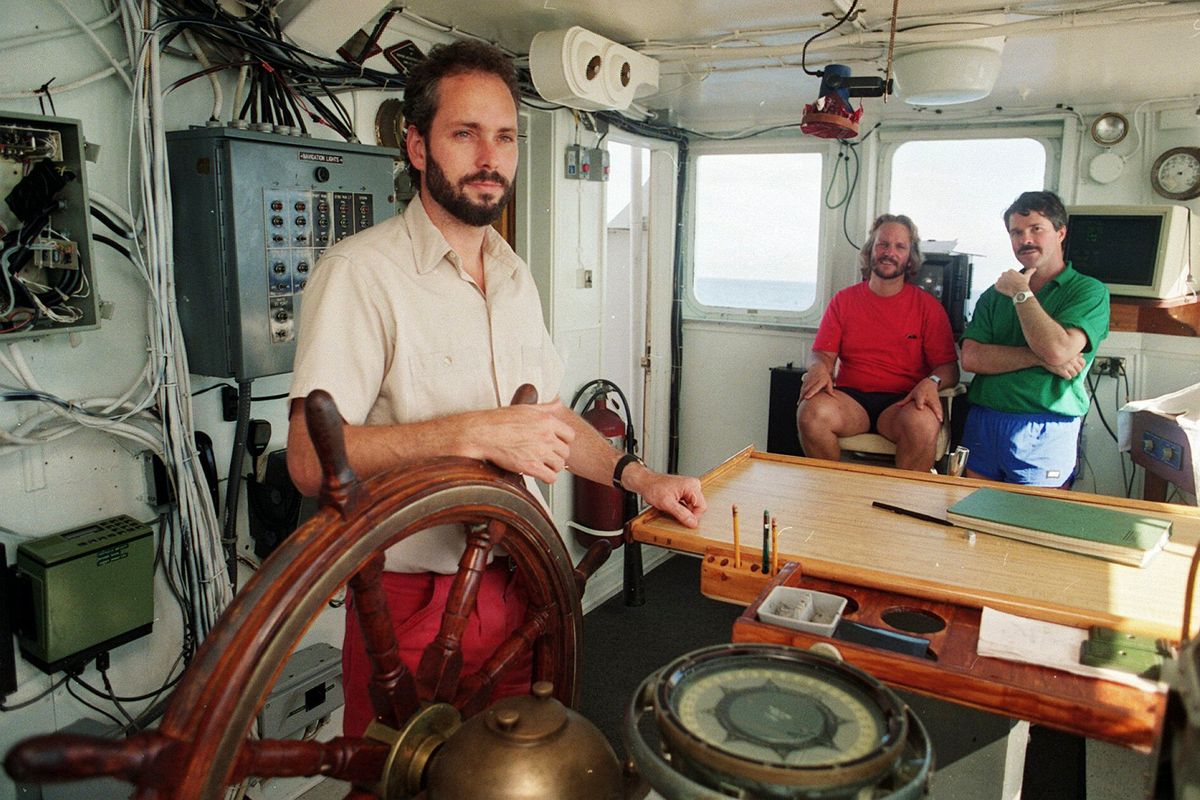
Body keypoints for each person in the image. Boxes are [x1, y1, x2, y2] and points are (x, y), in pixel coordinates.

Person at [285, 40, 707, 736]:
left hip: (523, 583)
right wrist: (469, 431)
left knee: (515, 773)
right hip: (416, 601)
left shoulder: (514, 274)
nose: (490, 157)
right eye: (465, 133)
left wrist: (641, 477)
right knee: (407, 781)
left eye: (505, 136)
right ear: (417, 147)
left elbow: (546, 423)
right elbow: (307, 459)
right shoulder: (359, 273)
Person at [960, 190, 1110, 486]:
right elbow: (972, 358)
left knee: (1032, 522)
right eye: (1016, 232)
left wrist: (1021, 293)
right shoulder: (993, 294)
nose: (1024, 239)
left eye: (1036, 229)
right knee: (970, 516)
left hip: (1046, 427)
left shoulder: (1089, 292)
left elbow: (1056, 350)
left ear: (1061, 232)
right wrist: (1037, 357)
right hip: (985, 421)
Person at [796, 214, 959, 472]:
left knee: (924, 424)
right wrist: (817, 367)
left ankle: (902, 506)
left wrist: (932, 382)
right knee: (811, 413)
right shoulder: (844, 300)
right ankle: (832, 495)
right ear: (871, 250)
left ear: (910, 257)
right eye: (883, 244)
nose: (889, 252)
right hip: (851, 402)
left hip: (903, 404)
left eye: (899, 246)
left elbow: (949, 369)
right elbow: (822, 354)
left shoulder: (928, 307)